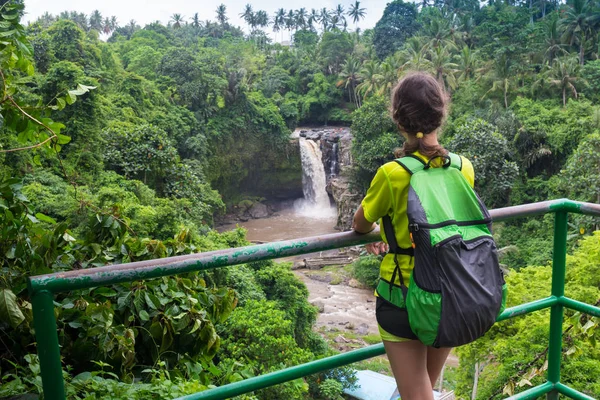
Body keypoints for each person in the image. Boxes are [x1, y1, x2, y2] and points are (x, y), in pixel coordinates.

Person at [352, 72, 475, 400]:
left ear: (398, 119)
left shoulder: (392, 174)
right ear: (441, 114)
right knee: (423, 390)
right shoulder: (463, 167)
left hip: (403, 296)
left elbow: (360, 223)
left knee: (416, 395)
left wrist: (378, 233)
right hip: (452, 290)